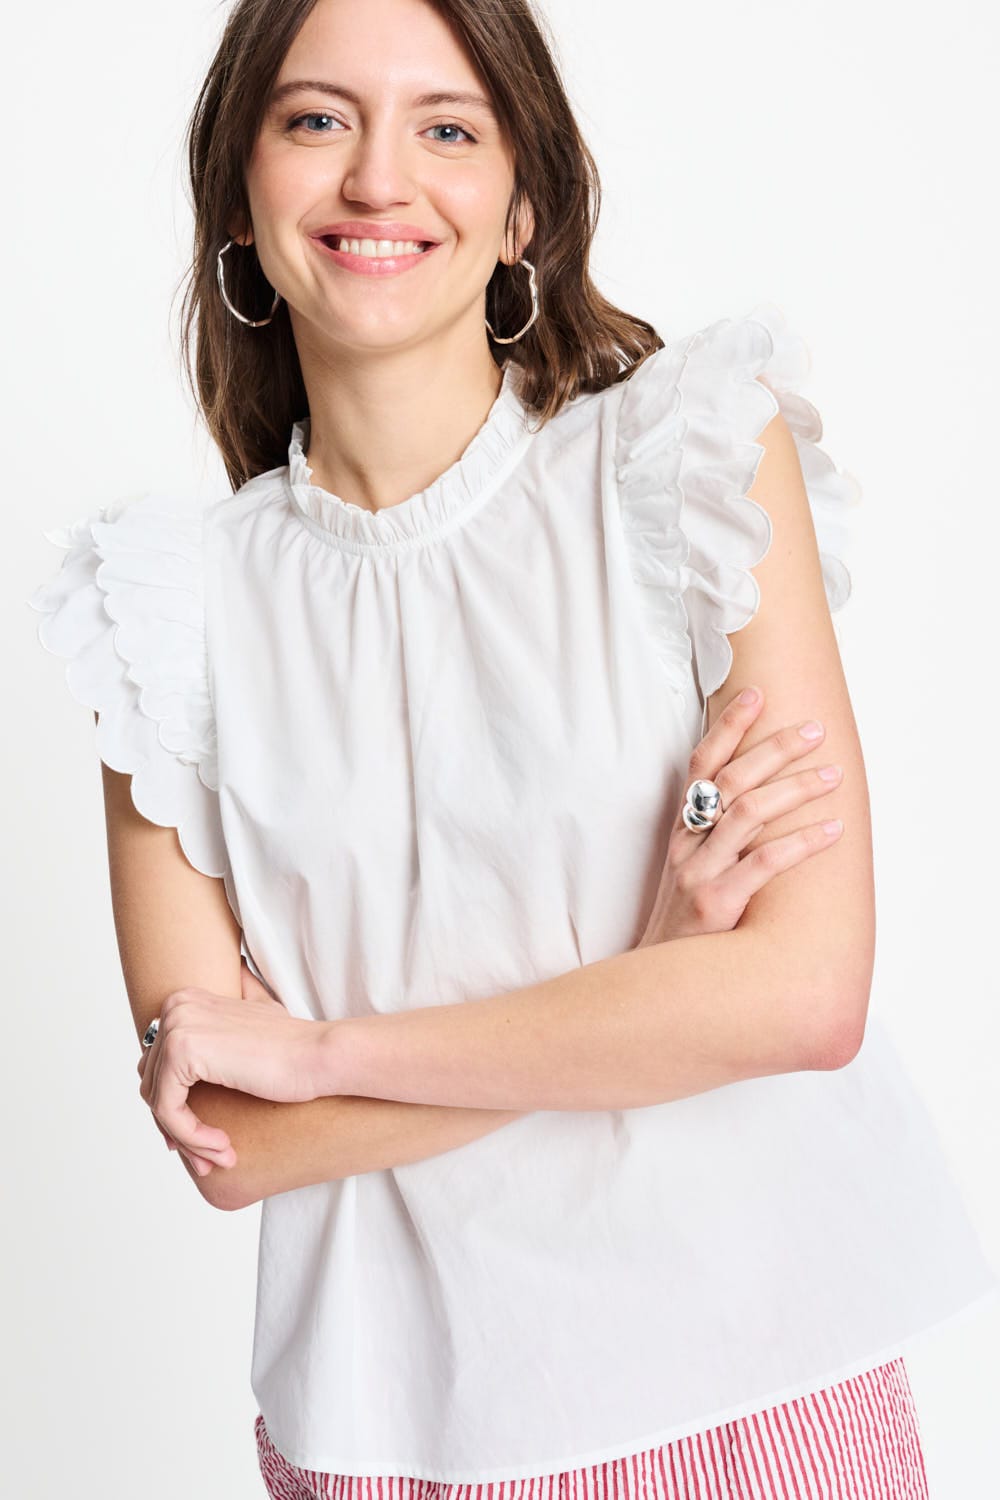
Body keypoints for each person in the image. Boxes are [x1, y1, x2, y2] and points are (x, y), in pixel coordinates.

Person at [28, 0, 998, 1496]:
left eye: (448, 126)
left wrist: (325, 1054)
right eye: (315, 119)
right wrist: (653, 984)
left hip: (754, 1389)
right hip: (384, 1433)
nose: (378, 178)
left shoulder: (687, 463)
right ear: (238, 189)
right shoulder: (167, 608)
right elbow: (231, 1135)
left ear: (522, 204)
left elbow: (803, 997)